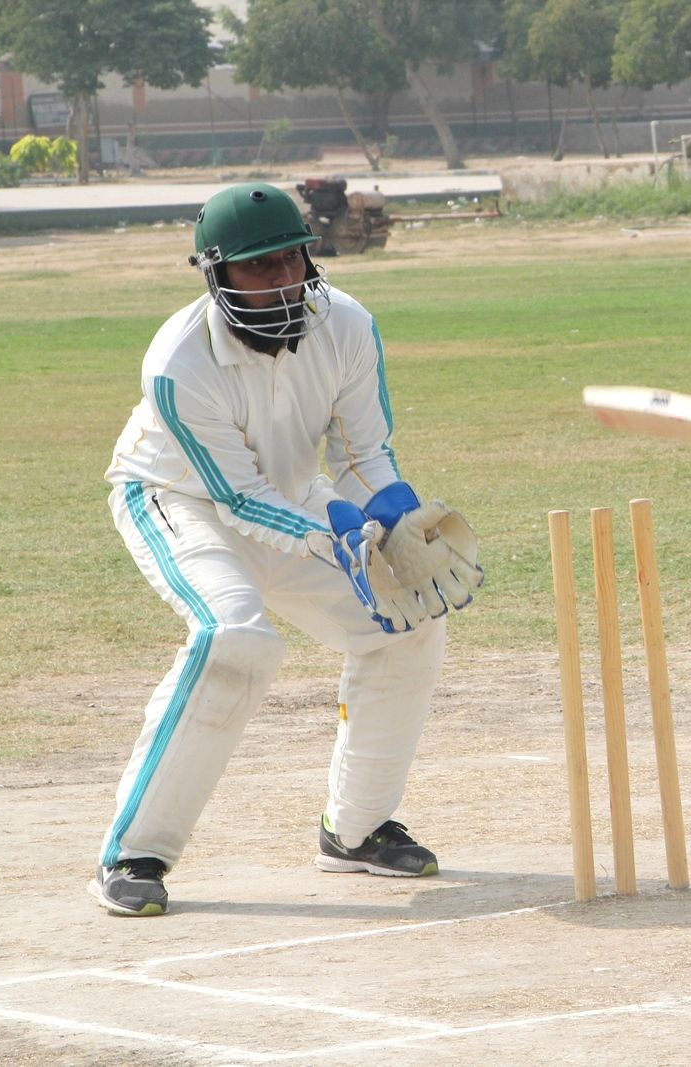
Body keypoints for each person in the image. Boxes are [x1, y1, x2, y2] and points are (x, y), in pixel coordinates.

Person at [92, 182, 483, 916]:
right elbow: (237, 496)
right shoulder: (178, 362)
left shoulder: (348, 325)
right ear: (216, 274)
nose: (281, 280)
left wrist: (394, 517)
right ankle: (135, 852)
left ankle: (355, 830)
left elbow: (364, 454)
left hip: (295, 498)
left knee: (409, 622)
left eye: (291, 260)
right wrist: (336, 535)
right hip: (180, 498)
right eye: (258, 266)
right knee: (233, 637)